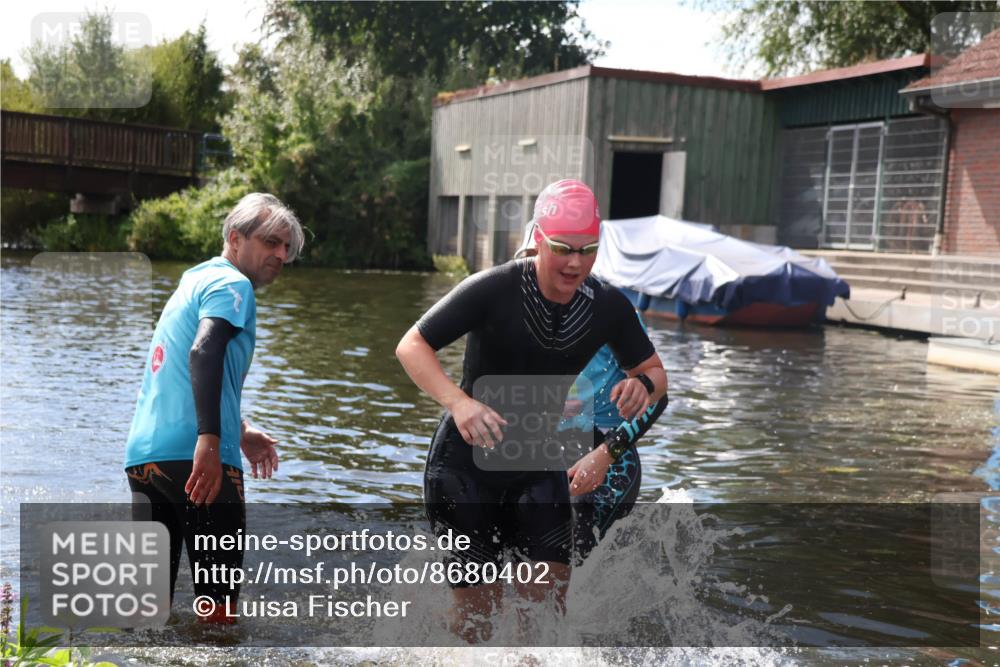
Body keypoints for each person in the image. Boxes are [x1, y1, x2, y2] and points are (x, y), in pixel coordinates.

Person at [395, 179, 667, 642]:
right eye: (563, 248)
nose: (576, 263)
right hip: (466, 468)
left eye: (588, 249)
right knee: (476, 625)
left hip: (541, 464)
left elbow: (656, 376)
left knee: (544, 624)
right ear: (538, 239)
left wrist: (640, 387)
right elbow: (412, 344)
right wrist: (459, 403)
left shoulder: (607, 306)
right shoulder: (493, 289)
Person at [124, 193, 304, 624]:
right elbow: (203, 351)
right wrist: (210, 438)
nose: (280, 254)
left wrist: (238, 429)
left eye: (286, 248)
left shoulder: (195, 279)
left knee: (148, 615)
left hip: (145, 460)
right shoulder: (233, 284)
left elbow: (181, 372)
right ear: (235, 238)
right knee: (218, 616)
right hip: (197, 459)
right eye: (271, 242)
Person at [514, 224, 669, 563]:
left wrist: (603, 456)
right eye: (528, 266)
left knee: (573, 561)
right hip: (551, 449)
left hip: (609, 458)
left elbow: (658, 395)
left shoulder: (608, 313)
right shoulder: (519, 315)